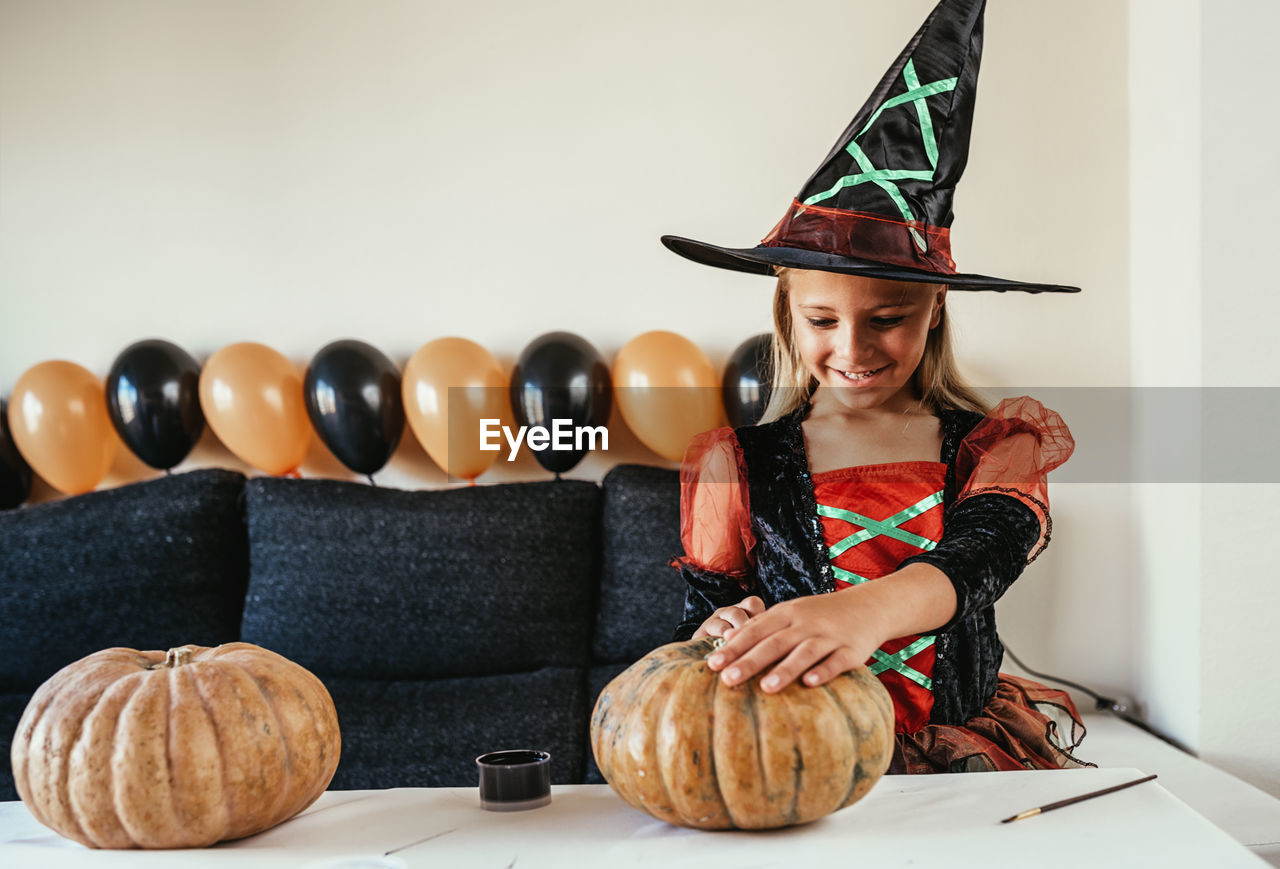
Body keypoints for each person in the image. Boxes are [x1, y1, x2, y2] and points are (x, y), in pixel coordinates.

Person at [660, 0, 1090, 773]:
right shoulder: (738, 462)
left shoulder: (996, 447)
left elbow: (981, 555)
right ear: (786, 316)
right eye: (821, 319)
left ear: (933, 312)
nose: (851, 347)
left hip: (951, 750)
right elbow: (698, 619)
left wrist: (862, 612)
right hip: (796, 750)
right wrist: (723, 629)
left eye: (886, 317)